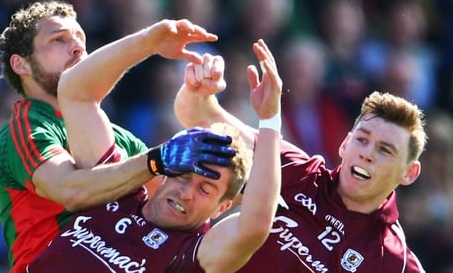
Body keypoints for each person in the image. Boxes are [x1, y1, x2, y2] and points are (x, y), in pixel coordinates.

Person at [0, 0, 235, 272]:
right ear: (21, 64)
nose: (77, 47)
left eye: (80, 38)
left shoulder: (119, 137)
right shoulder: (25, 129)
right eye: (58, 40)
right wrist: (154, 161)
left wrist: (202, 104)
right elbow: (72, 190)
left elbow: (181, 199)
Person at [27, 23, 282, 272]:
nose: (186, 192)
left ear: (222, 208)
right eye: (183, 174)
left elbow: (255, 227)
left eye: (206, 189)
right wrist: (149, 41)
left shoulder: (192, 253)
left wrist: (270, 119)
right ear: (167, 171)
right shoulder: (118, 191)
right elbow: (75, 91)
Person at [174, 54, 428, 272]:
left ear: (409, 173)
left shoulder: (394, 261)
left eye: (385, 150)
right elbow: (199, 114)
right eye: (362, 140)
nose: (367, 154)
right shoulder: (294, 170)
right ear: (344, 144)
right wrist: (198, 89)